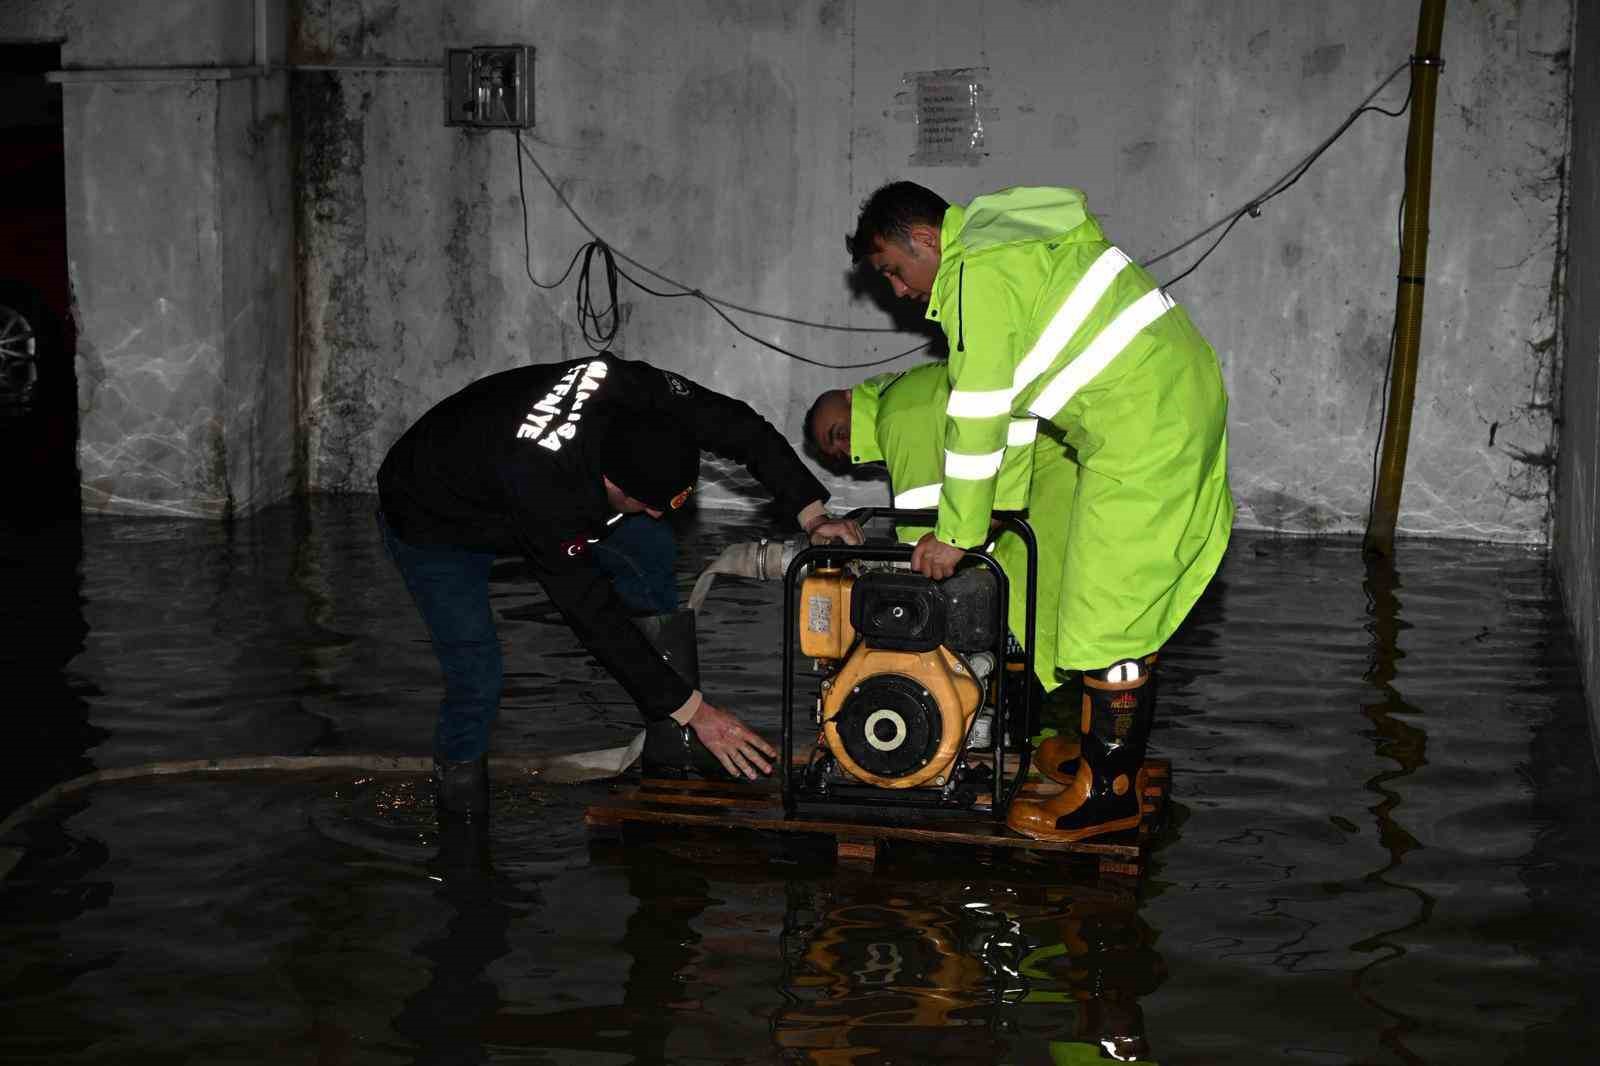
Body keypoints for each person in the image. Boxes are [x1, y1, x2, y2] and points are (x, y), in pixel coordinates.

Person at [845, 182, 1233, 842]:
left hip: (1143, 421)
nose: (898, 290)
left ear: (928, 240)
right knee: (1068, 583)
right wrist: (993, 515)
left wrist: (956, 535)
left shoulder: (977, 274)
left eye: (893, 270)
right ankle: (1102, 757)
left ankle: (1109, 796)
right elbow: (1018, 416)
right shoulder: (1008, 253)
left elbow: (978, 413)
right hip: (1157, 400)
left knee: (1109, 610)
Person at [377, 351, 863, 823]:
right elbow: (593, 615)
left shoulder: (641, 389)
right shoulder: (543, 486)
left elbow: (744, 429)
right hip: (432, 517)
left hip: (508, 457)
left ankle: (673, 737)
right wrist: (700, 712)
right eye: (647, 503)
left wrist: (813, 517)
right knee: (477, 671)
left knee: (650, 544)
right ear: (609, 482)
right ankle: (460, 807)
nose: (658, 512)